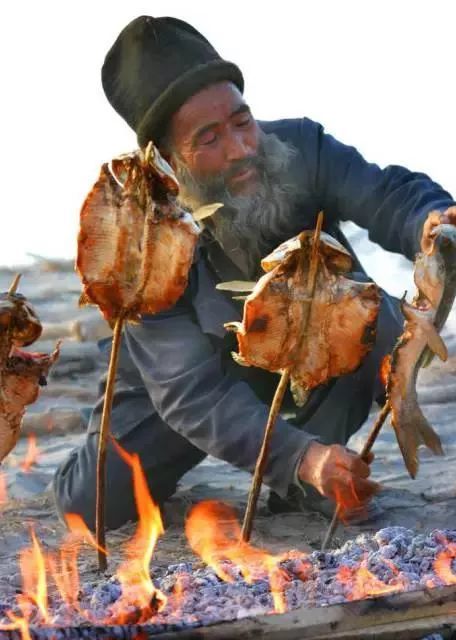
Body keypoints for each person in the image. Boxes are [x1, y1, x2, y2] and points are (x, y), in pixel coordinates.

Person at [53, 15, 456, 531]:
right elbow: (189, 393)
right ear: (169, 159)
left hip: (311, 341)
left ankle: (303, 485)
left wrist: (431, 220)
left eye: (242, 122)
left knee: (374, 328)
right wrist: (300, 456)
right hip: (184, 383)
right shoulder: (143, 237)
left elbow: (388, 195)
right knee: (89, 506)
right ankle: (299, 465)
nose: (241, 149)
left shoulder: (303, 150)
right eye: (210, 138)